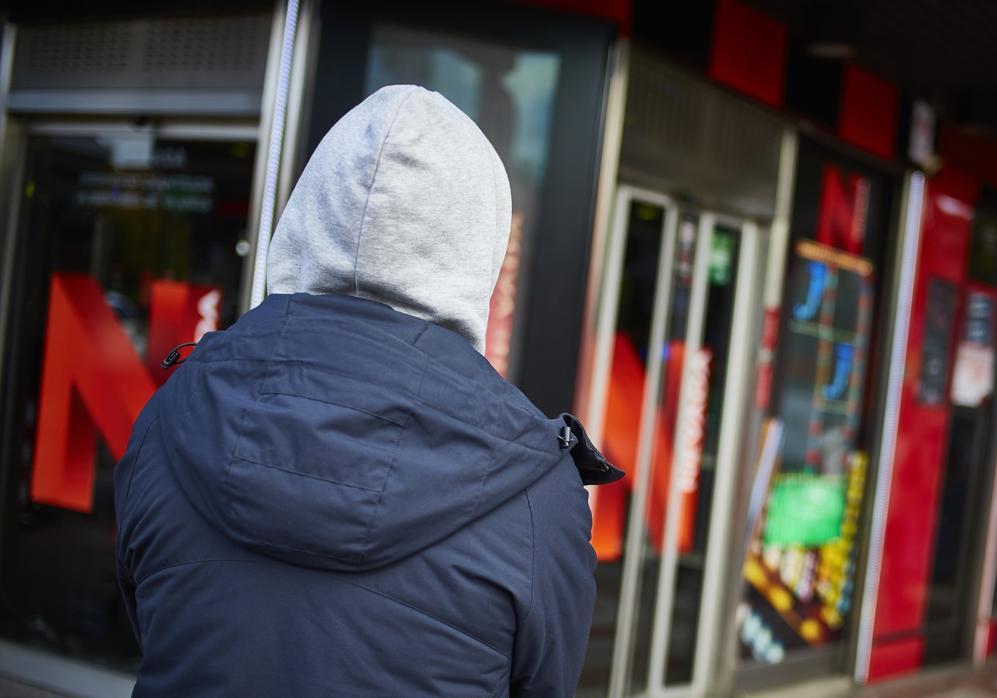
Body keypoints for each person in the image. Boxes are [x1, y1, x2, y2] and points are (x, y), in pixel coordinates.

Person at [113, 85, 622, 696]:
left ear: (304, 220)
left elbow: (152, 620)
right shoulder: (538, 490)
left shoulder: (173, 414)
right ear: (476, 250)